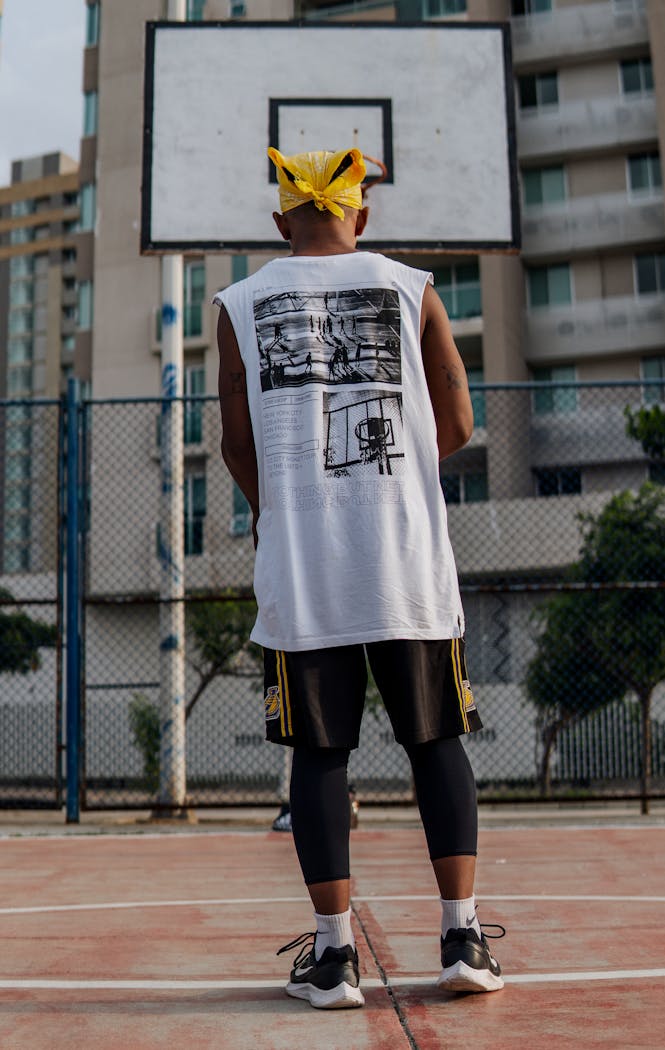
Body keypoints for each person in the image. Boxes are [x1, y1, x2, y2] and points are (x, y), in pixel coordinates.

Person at [215, 145, 504, 1011]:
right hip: (405, 554)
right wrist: (399, 478)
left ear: (279, 223)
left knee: (319, 754)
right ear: (362, 215)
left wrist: (287, 507)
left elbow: (236, 440)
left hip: (303, 562)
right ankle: (462, 939)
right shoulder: (412, 287)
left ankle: (335, 959)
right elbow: (456, 420)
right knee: (436, 742)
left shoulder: (238, 303)